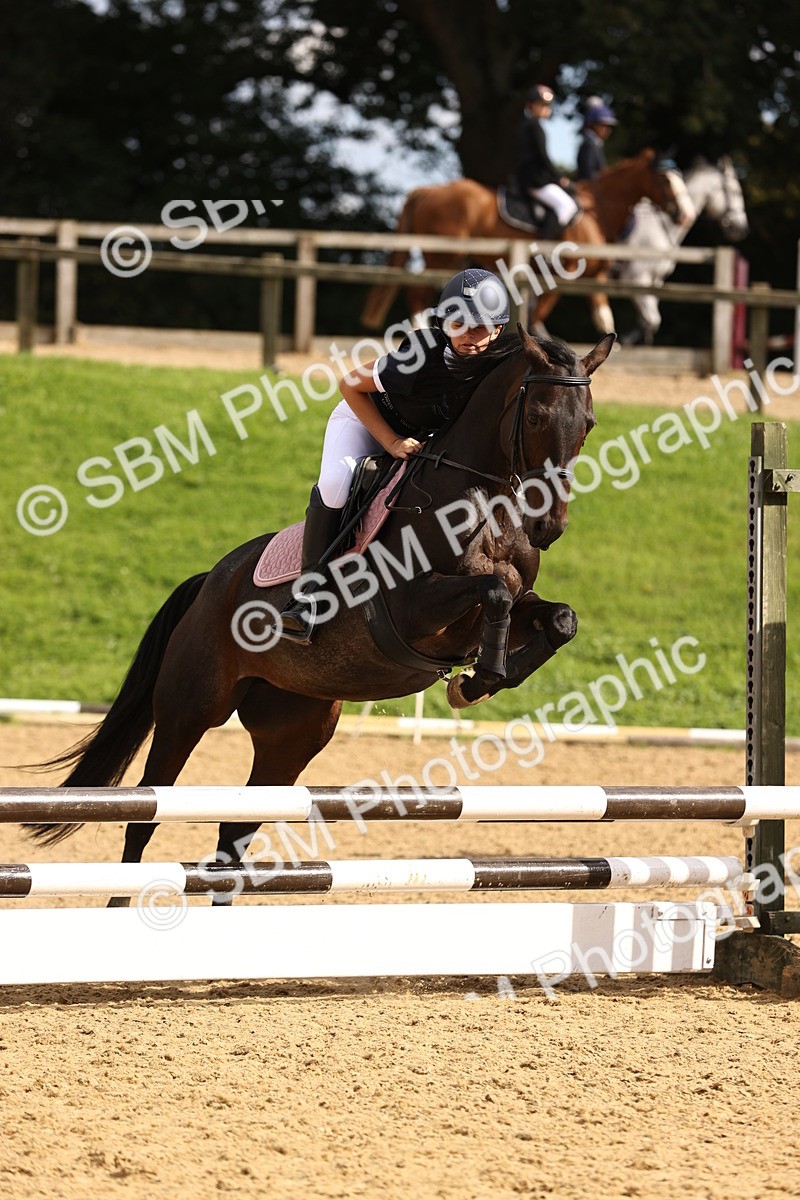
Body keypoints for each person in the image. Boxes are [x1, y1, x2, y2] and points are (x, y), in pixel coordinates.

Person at [280, 268, 511, 643]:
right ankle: (307, 598)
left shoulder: (498, 365)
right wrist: (389, 442)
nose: (469, 334)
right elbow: (349, 384)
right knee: (337, 483)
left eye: (480, 326)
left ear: (498, 330)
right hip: (365, 419)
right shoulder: (420, 355)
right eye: (458, 322)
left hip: (423, 437)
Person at [515, 84, 579, 239]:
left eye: (547, 106)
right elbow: (543, 157)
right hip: (536, 181)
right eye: (541, 105)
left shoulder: (525, 125)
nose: (545, 109)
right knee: (567, 206)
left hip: (528, 178)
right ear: (531, 105)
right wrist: (558, 177)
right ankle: (544, 246)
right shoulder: (534, 127)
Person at [576, 98, 617, 181]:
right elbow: (588, 174)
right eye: (604, 126)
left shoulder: (595, 144)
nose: (608, 130)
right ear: (594, 125)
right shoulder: (590, 144)